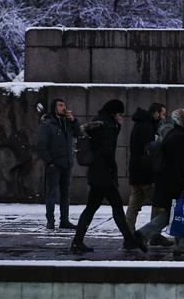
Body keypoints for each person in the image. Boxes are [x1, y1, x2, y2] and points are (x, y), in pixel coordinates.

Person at [70, 99, 145, 254]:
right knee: (113, 208)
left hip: (98, 173)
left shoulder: (101, 122)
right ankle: (129, 240)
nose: (121, 116)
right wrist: (111, 168)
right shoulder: (108, 126)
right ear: (114, 112)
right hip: (104, 174)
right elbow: (107, 150)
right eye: (119, 113)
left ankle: (78, 242)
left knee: (95, 209)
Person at [135, 109, 184, 258]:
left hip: (168, 181)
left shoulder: (173, 135)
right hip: (174, 182)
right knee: (182, 211)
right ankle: (179, 245)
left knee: (173, 213)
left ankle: (144, 235)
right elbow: (179, 165)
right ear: (183, 121)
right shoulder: (179, 138)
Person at [125, 102, 173, 248]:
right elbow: (151, 151)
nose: (164, 118)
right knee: (160, 204)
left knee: (134, 205)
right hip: (146, 173)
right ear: (156, 113)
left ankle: (129, 236)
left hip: (136, 171)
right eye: (163, 114)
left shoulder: (141, 124)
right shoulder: (147, 127)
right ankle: (152, 235)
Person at [36, 98, 81, 230]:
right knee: (52, 194)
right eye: (60, 105)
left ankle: (64, 220)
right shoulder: (47, 124)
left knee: (65, 194)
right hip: (54, 165)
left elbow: (79, 133)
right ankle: (50, 221)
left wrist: (73, 120)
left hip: (67, 163)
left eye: (64, 105)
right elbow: (41, 145)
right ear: (54, 107)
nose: (63, 107)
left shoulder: (67, 123)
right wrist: (49, 162)